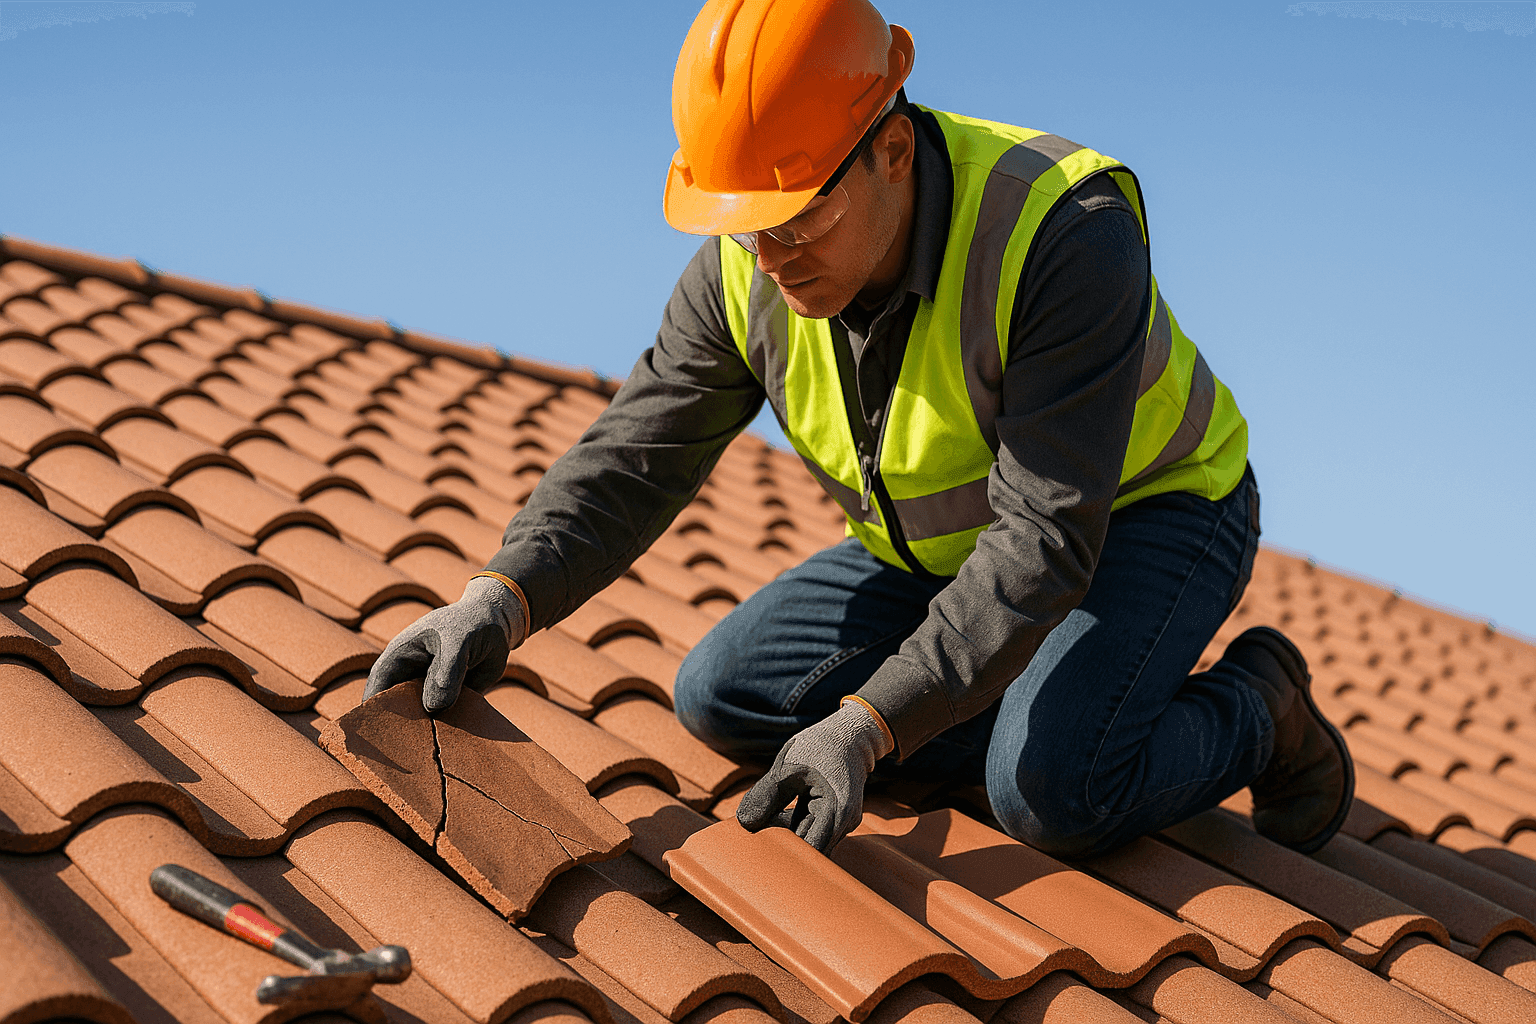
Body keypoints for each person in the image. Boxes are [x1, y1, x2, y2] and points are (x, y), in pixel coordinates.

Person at [365, 0, 1354, 859]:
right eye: (750, 227)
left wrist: (877, 722)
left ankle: (1258, 709)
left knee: (1051, 790)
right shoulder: (748, 262)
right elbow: (639, 451)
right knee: (719, 694)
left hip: (1148, 516)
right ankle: (1023, 705)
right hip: (943, 554)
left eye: (796, 222)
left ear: (890, 149)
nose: (773, 259)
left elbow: (1047, 541)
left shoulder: (1062, 229)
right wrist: (501, 595)